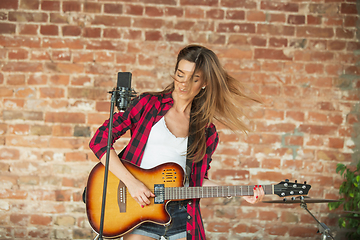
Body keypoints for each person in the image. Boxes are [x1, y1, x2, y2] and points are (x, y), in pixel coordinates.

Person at [89, 45, 265, 240]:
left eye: (194, 79)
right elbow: (100, 141)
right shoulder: (148, 104)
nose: (184, 84)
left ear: (204, 83)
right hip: (140, 209)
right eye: (180, 75)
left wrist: (240, 192)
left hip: (182, 215)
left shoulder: (206, 131)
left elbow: (196, 181)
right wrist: (132, 183)